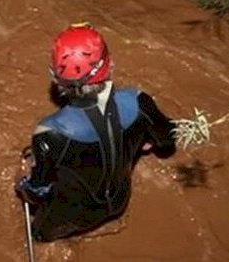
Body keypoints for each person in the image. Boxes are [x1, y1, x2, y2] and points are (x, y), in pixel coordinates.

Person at [15, 23, 176, 242]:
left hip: (72, 216)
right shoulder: (139, 103)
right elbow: (168, 138)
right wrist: (144, 141)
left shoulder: (49, 133)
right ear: (109, 65)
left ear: (55, 77)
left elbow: (36, 194)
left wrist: (22, 184)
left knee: (37, 235)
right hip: (119, 200)